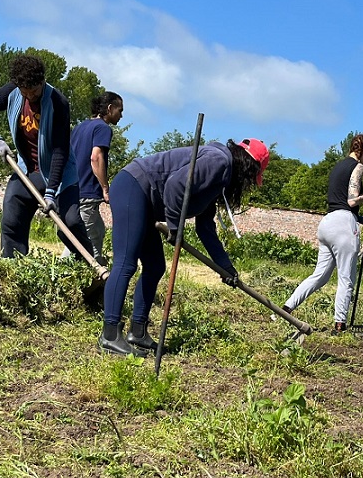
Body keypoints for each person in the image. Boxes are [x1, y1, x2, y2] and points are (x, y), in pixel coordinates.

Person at [99, 138, 270, 355]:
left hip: (146, 200)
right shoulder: (219, 163)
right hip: (133, 187)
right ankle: (110, 335)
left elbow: (205, 227)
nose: (246, 186)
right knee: (125, 263)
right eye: (250, 179)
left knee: (155, 266)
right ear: (248, 167)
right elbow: (175, 185)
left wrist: (225, 267)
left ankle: (138, 332)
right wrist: (173, 225)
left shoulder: (220, 178)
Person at [0, 54, 94, 259]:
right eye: (25, 92)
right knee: (12, 217)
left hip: (61, 174)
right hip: (28, 169)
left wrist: (51, 192)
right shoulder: (12, 91)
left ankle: (86, 265)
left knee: (70, 222)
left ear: (43, 81)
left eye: (35, 91)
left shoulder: (58, 103)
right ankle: (13, 268)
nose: (30, 96)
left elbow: (60, 151)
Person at [280, 133, 363, 333]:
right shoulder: (358, 167)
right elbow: (352, 201)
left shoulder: (338, 166)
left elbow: (340, 202)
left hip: (327, 223)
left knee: (320, 275)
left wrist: (360, 219)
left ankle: (286, 307)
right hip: (344, 227)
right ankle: (340, 325)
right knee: (346, 278)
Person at [63, 91, 124, 265]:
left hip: (72, 188)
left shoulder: (80, 127)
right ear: (110, 108)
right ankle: (66, 276)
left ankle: (95, 274)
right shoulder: (103, 128)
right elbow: (95, 157)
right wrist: (105, 188)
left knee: (97, 230)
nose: (121, 115)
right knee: (83, 239)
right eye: (120, 110)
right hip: (87, 191)